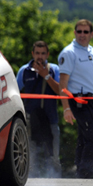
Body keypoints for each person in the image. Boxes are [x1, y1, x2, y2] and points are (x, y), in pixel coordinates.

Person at [58, 19, 93, 179]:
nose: (82, 35)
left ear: (91, 34)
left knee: (84, 140)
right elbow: (63, 84)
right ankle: (84, 173)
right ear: (75, 33)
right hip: (79, 102)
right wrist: (66, 109)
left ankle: (80, 174)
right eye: (79, 31)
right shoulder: (69, 53)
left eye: (85, 32)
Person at [16, 40, 61, 177]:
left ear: (47, 55)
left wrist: (46, 76)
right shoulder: (24, 71)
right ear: (32, 54)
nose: (40, 57)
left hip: (50, 120)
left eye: (42, 53)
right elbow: (14, 93)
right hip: (30, 121)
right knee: (30, 157)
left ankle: (55, 182)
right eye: (37, 53)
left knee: (53, 156)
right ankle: (30, 183)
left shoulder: (54, 70)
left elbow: (61, 91)